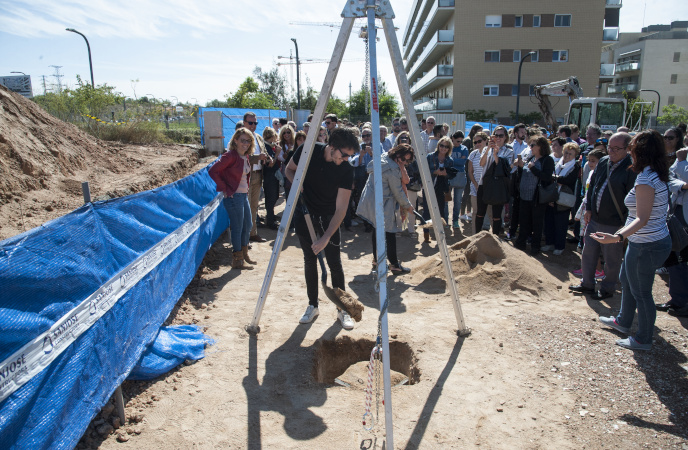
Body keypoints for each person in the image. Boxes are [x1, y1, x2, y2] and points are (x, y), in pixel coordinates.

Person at [596, 130, 672, 351]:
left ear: (641, 152)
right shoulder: (654, 173)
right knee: (627, 280)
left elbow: (642, 217)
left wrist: (618, 236)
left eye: (632, 148)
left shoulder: (647, 178)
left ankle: (643, 339)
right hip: (644, 241)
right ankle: (623, 321)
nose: (630, 152)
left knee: (641, 292)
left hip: (647, 245)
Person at [285, 127, 357, 329]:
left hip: (329, 215)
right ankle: (312, 305)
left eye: (350, 156)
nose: (346, 159)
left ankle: (342, 308)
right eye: (344, 155)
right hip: (305, 211)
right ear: (332, 147)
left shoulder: (346, 169)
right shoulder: (307, 151)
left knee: (334, 262)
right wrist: (295, 182)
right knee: (310, 259)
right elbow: (289, 169)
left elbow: (342, 209)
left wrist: (325, 237)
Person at [570, 132, 636, 300]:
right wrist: (589, 209)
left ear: (628, 149)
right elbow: (593, 187)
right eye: (609, 148)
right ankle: (587, 284)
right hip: (595, 219)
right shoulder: (604, 162)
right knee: (588, 252)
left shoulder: (631, 168)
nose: (611, 151)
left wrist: (625, 226)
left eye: (616, 148)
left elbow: (631, 198)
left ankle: (607, 288)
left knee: (612, 259)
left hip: (614, 222)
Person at [209, 128, 265, 270]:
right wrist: (225, 188)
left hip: (242, 195)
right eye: (242, 140)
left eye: (248, 141)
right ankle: (237, 259)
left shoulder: (245, 156)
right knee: (238, 227)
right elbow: (213, 171)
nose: (245, 143)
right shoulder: (230, 156)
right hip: (234, 197)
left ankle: (244, 254)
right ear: (235, 140)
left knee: (248, 225)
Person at [357, 144, 415, 273]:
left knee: (377, 229)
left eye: (407, 161)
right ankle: (393, 264)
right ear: (397, 154)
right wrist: (408, 206)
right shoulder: (392, 169)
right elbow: (398, 191)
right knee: (390, 232)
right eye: (403, 159)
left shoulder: (383, 157)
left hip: (372, 199)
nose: (404, 163)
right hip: (382, 202)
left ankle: (377, 260)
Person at [658, 145, 688, 316]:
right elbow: (670, 178)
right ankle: (677, 300)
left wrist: (682, 161)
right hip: (675, 213)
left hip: (685, 216)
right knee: (676, 259)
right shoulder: (681, 156)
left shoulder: (682, 157)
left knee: (682, 259)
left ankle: (682, 302)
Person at [514, 136, 555, 255]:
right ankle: (520, 243)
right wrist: (521, 167)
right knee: (523, 220)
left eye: (532, 145)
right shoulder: (531, 157)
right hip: (524, 196)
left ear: (541, 147)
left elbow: (547, 177)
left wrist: (533, 169)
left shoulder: (547, 160)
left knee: (537, 223)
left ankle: (535, 247)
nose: (530, 148)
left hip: (537, 197)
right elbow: (523, 174)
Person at [475, 126, 513, 235]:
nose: (498, 138)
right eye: (496, 135)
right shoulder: (488, 149)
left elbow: (506, 168)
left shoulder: (508, 151)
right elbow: (481, 164)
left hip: (499, 186)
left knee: (496, 215)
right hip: (484, 184)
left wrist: (496, 154)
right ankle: (477, 237)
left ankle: (495, 237)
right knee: (480, 213)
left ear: (505, 137)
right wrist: (488, 149)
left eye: (501, 135)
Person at [543, 142, 580, 254]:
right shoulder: (557, 163)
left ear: (575, 155)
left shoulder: (575, 167)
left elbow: (568, 181)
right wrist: (557, 180)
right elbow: (549, 177)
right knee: (549, 222)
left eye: (570, 154)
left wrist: (555, 179)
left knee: (561, 224)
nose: (567, 156)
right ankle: (549, 243)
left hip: (563, 199)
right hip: (551, 197)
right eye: (566, 153)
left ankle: (559, 246)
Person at [243, 112, 272, 243]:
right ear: (244, 123)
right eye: (250, 123)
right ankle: (244, 238)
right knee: (245, 207)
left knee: (254, 206)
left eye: (255, 123)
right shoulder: (241, 138)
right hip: (245, 176)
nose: (253, 125)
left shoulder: (258, 137)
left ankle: (252, 233)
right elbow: (241, 157)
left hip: (258, 175)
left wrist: (269, 158)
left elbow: (264, 152)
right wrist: (257, 158)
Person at [422, 136, 454, 243]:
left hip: (441, 188)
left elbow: (451, 174)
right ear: (438, 145)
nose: (443, 148)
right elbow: (423, 170)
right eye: (442, 145)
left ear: (449, 148)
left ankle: (440, 235)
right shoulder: (430, 157)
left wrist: (446, 174)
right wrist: (434, 172)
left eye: (446, 146)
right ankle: (426, 234)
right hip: (429, 186)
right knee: (427, 211)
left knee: (441, 212)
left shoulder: (450, 160)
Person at [467, 131, 488, 233]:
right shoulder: (473, 154)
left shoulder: (491, 152)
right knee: (475, 212)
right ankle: (475, 234)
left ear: (486, 140)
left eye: (479, 141)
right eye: (475, 142)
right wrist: (476, 185)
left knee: (490, 213)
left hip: (489, 188)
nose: (477, 144)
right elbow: (470, 171)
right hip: (475, 188)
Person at [262, 128, 282, 230]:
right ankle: (270, 220)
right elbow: (270, 164)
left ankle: (270, 216)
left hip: (271, 175)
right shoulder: (266, 146)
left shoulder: (269, 146)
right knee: (271, 197)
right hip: (269, 175)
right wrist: (277, 153)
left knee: (273, 197)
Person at [449, 131, 469, 230]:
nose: (459, 143)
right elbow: (445, 160)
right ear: (452, 138)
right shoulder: (448, 147)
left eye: (461, 141)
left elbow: (463, 162)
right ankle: (445, 219)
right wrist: (457, 160)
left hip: (460, 177)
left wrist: (451, 160)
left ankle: (455, 220)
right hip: (448, 177)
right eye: (457, 141)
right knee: (446, 200)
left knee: (457, 201)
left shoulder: (464, 148)